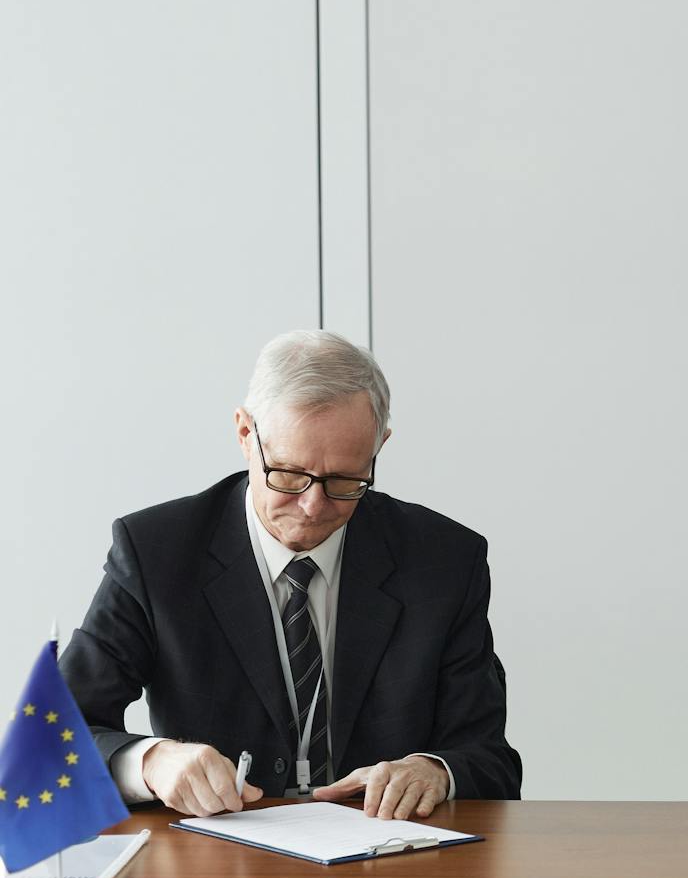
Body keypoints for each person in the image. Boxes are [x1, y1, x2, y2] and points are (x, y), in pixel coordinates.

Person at [62, 330, 522, 820]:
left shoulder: (444, 560)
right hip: (219, 863)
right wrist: (150, 761)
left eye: (345, 481)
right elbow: (53, 734)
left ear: (378, 447)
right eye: (286, 473)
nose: (312, 505)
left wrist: (435, 770)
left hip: (387, 861)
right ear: (245, 435)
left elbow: (491, 760)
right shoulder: (156, 552)